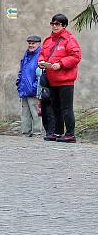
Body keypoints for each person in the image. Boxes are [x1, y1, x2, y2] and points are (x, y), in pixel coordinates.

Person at [39, 14, 82, 143]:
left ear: (64, 26)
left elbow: (76, 56)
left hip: (65, 80)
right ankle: (58, 133)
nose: (54, 26)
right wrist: (41, 61)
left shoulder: (69, 39)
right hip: (52, 80)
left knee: (66, 108)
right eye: (53, 24)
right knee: (55, 107)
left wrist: (61, 63)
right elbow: (42, 54)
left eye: (57, 24)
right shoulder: (48, 40)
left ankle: (70, 134)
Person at [16, 34, 42, 137]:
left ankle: (36, 132)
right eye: (29, 43)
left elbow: (40, 73)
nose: (31, 45)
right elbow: (21, 71)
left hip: (33, 89)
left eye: (33, 43)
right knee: (25, 112)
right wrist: (19, 82)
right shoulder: (26, 55)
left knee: (35, 112)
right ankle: (25, 132)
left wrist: (36, 87)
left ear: (38, 44)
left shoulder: (40, 55)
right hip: (24, 88)